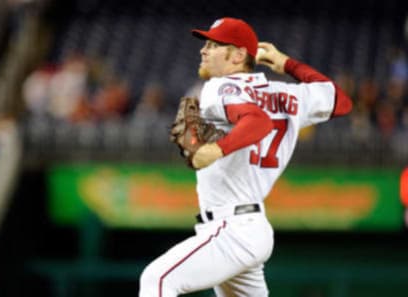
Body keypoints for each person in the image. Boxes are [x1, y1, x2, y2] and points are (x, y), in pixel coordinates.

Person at [139, 17, 352, 297]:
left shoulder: (220, 87)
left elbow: (258, 121)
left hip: (231, 230)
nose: (204, 50)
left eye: (214, 45)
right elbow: (341, 101)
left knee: (158, 280)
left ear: (238, 55)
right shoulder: (287, 93)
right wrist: (287, 64)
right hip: (250, 228)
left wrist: (215, 149)